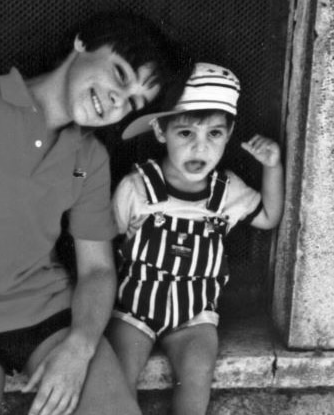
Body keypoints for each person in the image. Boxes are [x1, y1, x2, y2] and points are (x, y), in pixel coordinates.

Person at [0, 12, 185, 415]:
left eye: (133, 102)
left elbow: (96, 269)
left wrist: (80, 347)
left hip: (48, 314)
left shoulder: (90, 157)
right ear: (81, 43)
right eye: (119, 74)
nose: (118, 100)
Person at [107, 62, 284, 415]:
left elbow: (268, 218)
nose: (199, 148)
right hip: (134, 310)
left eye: (214, 134)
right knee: (117, 374)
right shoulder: (137, 188)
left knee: (197, 374)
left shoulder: (228, 190)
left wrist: (273, 166)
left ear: (229, 133)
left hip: (193, 315)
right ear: (160, 131)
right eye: (185, 133)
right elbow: (106, 241)